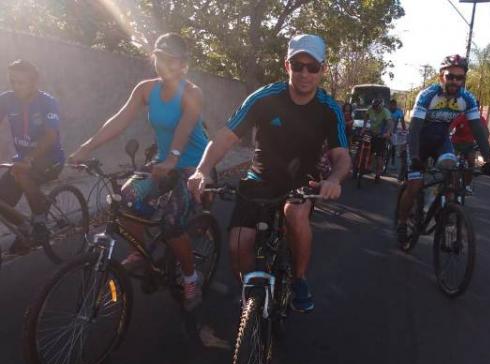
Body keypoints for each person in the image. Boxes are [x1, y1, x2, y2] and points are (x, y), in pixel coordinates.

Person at [188, 34, 351, 313]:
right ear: (286, 65)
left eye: (312, 67)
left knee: (295, 215)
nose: (304, 73)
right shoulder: (264, 98)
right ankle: (252, 293)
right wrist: (202, 171)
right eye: (298, 65)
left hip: (302, 181)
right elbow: (224, 138)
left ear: (322, 69)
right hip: (259, 179)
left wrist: (334, 179)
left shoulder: (329, 108)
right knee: (239, 246)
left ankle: (299, 279)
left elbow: (342, 156)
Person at [69, 33, 209, 311]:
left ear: (183, 64)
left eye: (172, 60)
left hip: (192, 163)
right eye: (160, 58)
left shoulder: (192, 92)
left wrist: (172, 159)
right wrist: (87, 146)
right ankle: (140, 252)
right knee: (126, 197)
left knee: (172, 224)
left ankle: (192, 277)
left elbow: (184, 128)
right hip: (162, 162)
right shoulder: (146, 89)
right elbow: (119, 119)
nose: (165, 64)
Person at [396, 54, 490, 244]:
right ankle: (402, 222)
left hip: (442, 141)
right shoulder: (427, 95)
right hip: (420, 141)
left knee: (451, 178)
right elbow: (415, 129)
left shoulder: (467, 99)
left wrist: (489, 160)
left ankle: (447, 215)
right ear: (441, 76)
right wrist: (416, 156)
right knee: (414, 186)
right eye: (450, 76)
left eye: (460, 78)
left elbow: (479, 131)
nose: (455, 81)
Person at [0, 59, 65, 253]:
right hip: (22, 160)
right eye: (13, 81)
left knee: (22, 174)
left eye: (22, 82)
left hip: (50, 158)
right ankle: (25, 227)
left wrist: (28, 159)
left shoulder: (47, 102)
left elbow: (51, 136)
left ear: (34, 82)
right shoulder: (5, 99)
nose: (17, 87)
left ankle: (39, 224)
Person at [449, 108, 489, 193]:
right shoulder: (461, 117)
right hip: (457, 144)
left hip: (471, 145)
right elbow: (451, 127)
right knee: (452, 163)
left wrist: (481, 143)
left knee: (471, 164)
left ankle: (467, 185)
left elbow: (486, 132)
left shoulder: (480, 119)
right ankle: (449, 183)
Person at [364, 97, 392, 181]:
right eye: (374, 107)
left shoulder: (385, 112)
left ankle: (378, 174)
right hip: (372, 132)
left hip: (381, 135)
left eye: (377, 107)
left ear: (381, 106)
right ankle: (367, 166)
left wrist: (388, 133)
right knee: (368, 151)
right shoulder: (370, 109)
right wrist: (364, 127)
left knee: (379, 156)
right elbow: (366, 116)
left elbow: (390, 123)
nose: (375, 109)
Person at [387, 99, 406, 169]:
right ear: (389, 105)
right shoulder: (387, 110)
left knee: (393, 147)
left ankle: (392, 161)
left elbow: (403, 122)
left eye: (394, 106)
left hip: (394, 131)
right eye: (391, 105)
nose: (392, 107)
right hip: (385, 131)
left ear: (395, 106)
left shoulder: (399, 112)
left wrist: (404, 131)